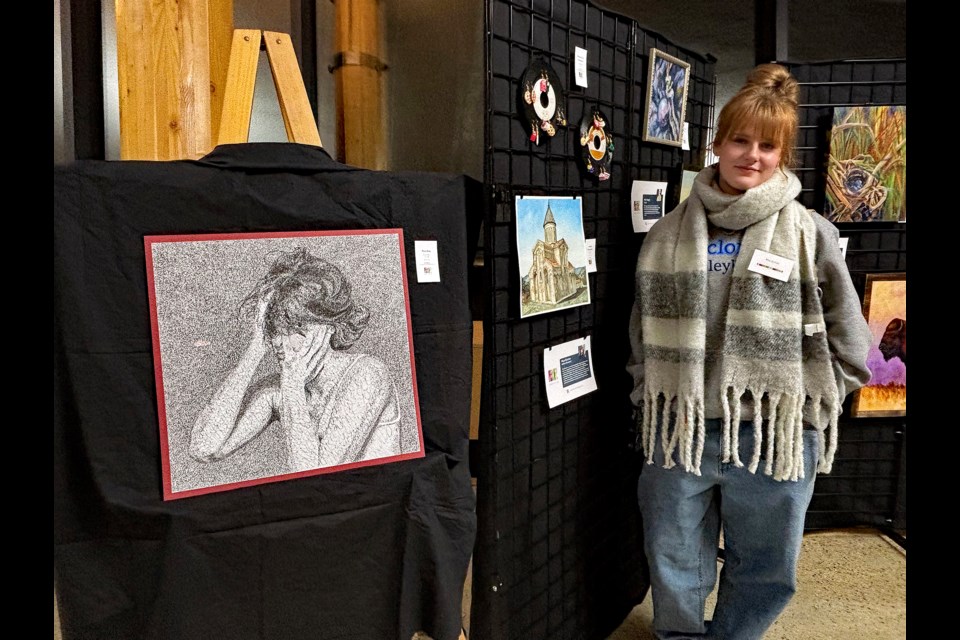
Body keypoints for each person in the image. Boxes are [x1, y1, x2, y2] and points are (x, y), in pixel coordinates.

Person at [626, 64, 873, 640]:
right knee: (673, 556)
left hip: (774, 431)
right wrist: (647, 389)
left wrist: (820, 397)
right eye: (740, 139)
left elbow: (849, 332)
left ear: (783, 154)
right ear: (718, 143)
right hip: (680, 427)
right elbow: (640, 329)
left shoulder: (810, 232)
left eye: (768, 145)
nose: (752, 155)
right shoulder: (667, 233)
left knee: (765, 565)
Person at [189, 247, 403, 473]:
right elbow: (203, 449)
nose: (280, 343)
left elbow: (315, 475)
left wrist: (292, 384)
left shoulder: (367, 374)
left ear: (327, 327)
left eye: (293, 329)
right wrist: (256, 348)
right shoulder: (279, 389)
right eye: (274, 330)